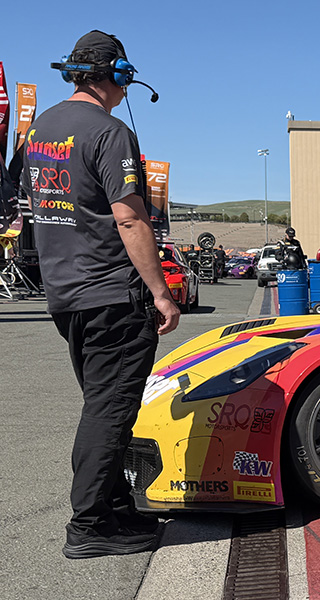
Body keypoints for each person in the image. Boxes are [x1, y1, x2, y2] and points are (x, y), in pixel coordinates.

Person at [20, 30, 180, 558]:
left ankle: (114, 510)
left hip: (66, 295)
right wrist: (161, 292)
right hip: (112, 293)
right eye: (125, 79)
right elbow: (129, 218)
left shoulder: (39, 130)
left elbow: (31, 207)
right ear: (116, 75)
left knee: (102, 405)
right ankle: (89, 525)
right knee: (110, 412)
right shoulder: (110, 133)